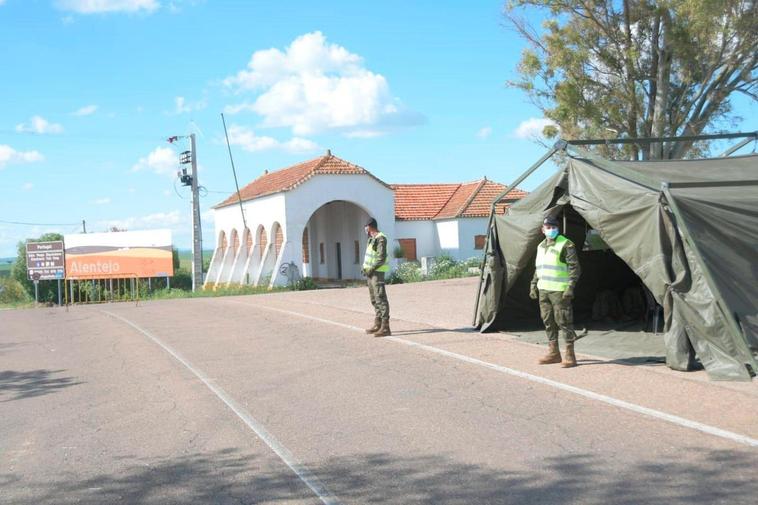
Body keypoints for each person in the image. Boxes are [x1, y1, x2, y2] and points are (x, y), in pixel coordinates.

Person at [529, 216, 581, 367]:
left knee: (563, 321)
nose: (551, 230)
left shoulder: (566, 244)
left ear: (558, 228)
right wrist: (533, 285)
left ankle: (570, 355)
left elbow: (575, 268)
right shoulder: (540, 246)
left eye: (554, 227)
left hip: (559, 291)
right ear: (543, 230)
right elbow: (538, 268)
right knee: (548, 321)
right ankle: (554, 353)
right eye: (548, 227)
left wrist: (570, 287)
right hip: (543, 289)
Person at [361, 218, 391, 337]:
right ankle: (378, 323)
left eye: (366, 227)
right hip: (370, 273)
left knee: (380, 298)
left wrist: (371, 268)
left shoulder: (380, 238)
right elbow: (370, 256)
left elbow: (381, 258)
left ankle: (385, 327)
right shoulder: (371, 239)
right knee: (374, 299)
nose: (365, 229)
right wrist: (365, 268)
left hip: (377, 273)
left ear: (370, 226)